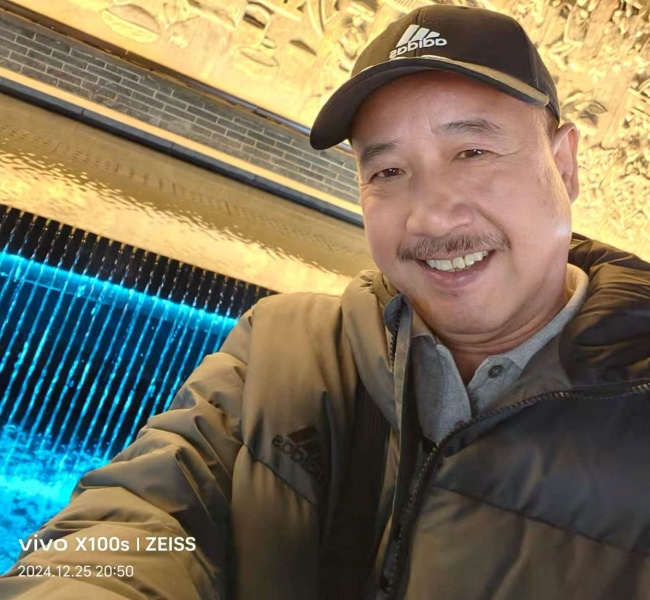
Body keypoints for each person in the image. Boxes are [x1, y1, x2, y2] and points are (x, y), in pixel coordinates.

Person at [2, 4, 650, 599]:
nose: (429, 216)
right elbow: (140, 517)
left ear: (564, 165)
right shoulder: (284, 346)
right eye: (387, 171)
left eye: (472, 151)